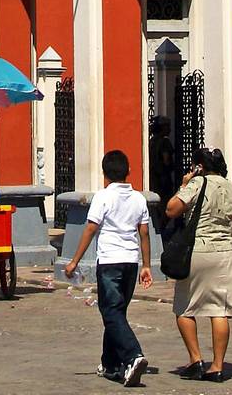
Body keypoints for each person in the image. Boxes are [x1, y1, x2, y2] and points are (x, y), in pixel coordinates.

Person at [63, 149, 153, 387]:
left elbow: (91, 229)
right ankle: (110, 364)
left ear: (104, 174)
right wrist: (146, 265)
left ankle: (134, 355)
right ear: (128, 171)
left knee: (111, 311)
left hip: (110, 261)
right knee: (116, 312)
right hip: (131, 262)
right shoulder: (139, 199)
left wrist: (74, 261)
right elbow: (144, 233)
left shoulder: (103, 197)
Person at [164, 148, 232, 382]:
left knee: (184, 307)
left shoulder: (197, 184)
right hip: (225, 251)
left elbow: (171, 209)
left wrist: (184, 184)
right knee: (219, 310)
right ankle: (217, 366)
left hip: (198, 250)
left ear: (199, 166)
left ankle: (196, 359)